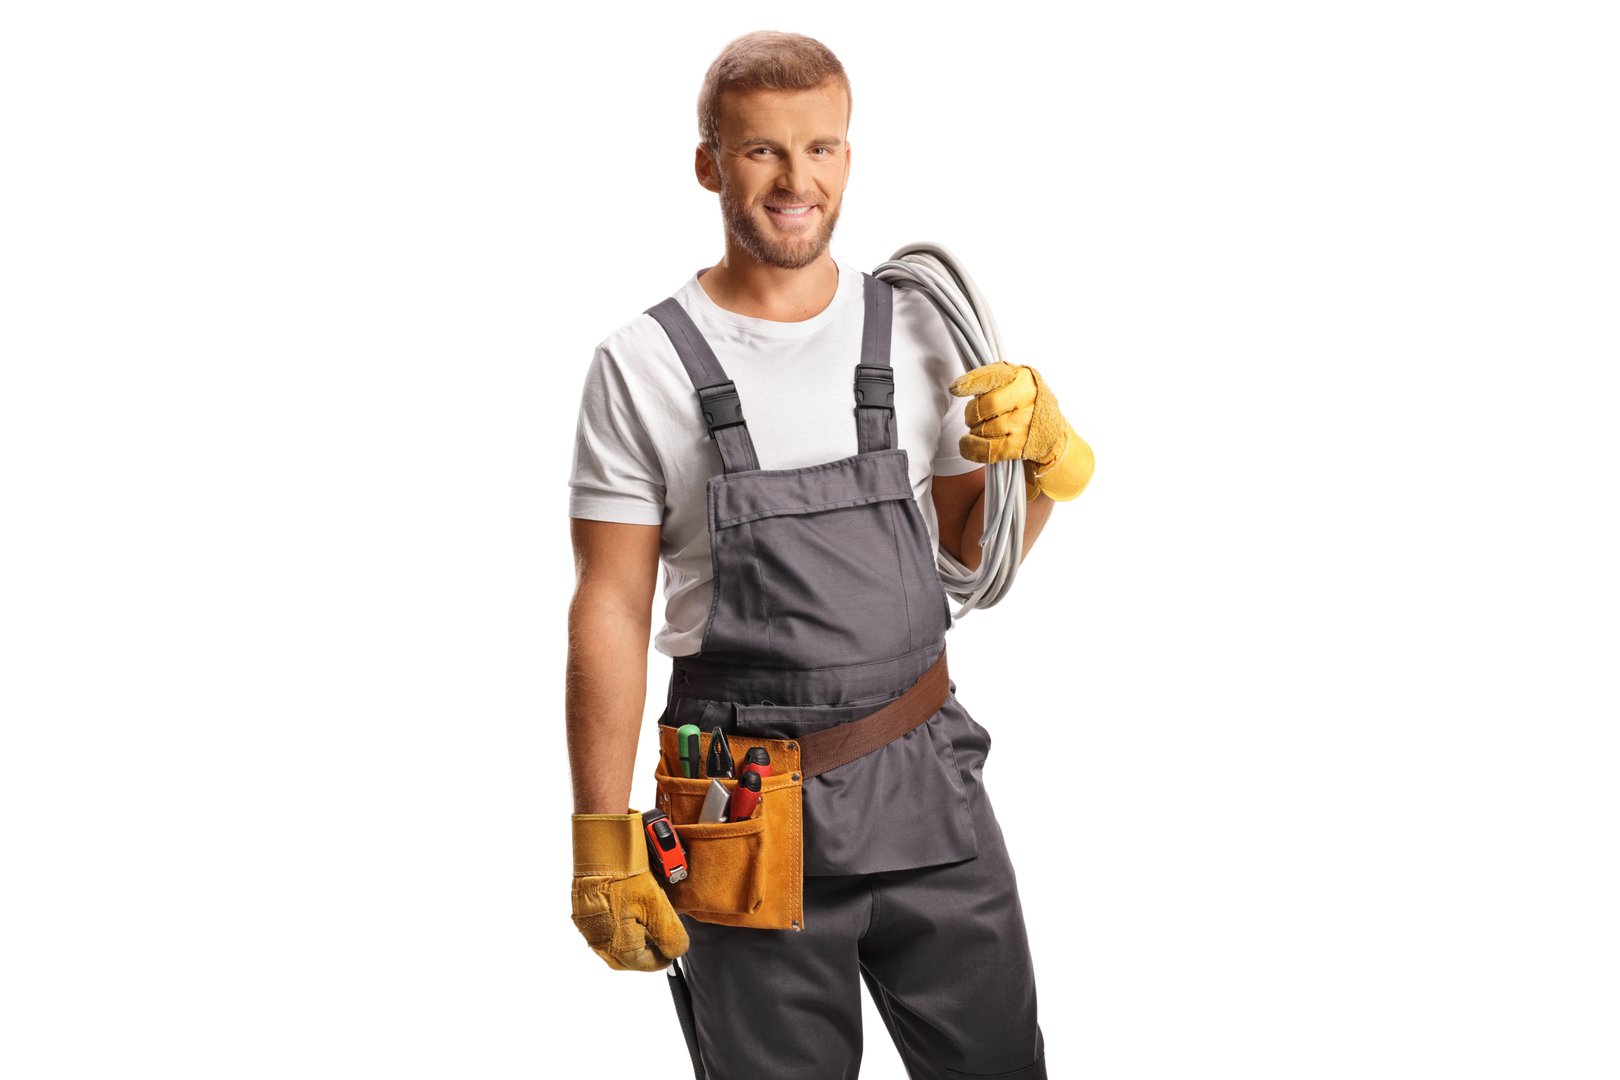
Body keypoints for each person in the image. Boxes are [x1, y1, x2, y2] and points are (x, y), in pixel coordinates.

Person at [565, 30, 1093, 1080]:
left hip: (925, 779)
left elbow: (966, 555)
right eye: (762, 150)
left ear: (848, 156)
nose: (795, 181)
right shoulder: (641, 365)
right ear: (710, 163)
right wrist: (598, 831)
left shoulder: (918, 329)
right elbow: (611, 605)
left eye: (820, 148)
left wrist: (1050, 470)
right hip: (745, 811)